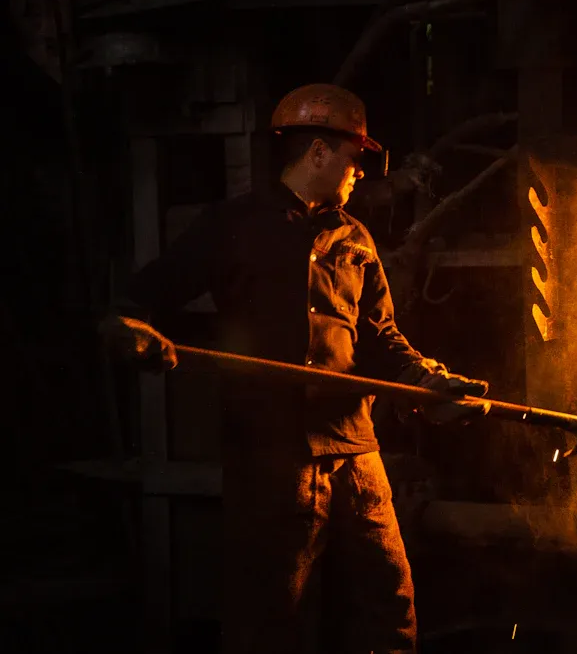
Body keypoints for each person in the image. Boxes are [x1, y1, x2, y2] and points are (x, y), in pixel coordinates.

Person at [100, 83, 488, 654]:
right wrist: (127, 327)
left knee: (389, 605)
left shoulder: (355, 238)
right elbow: (140, 298)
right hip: (271, 457)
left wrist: (427, 381)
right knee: (271, 617)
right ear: (319, 152)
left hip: (355, 452)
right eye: (354, 157)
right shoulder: (233, 225)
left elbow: (381, 337)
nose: (360, 172)